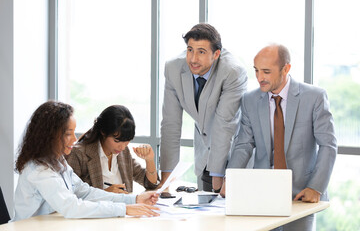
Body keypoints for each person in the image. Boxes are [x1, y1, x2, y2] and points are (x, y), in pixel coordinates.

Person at [222, 44, 337, 230]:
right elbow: (243, 144)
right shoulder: (250, 100)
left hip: (301, 194)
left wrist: (316, 187)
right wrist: (230, 179)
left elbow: (328, 145)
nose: (259, 78)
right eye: (256, 70)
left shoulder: (314, 97)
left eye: (266, 72)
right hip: (262, 194)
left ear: (286, 69)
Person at [12, 101, 159, 221]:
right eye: (68, 134)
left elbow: (85, 192)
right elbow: (72, 207)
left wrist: (135, 199)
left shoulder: (58, 161)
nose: (75, 139)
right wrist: (124, 209)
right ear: (49, 135)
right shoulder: (39, 170)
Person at [159, 23, 248, 192]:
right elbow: (170, 124)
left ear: (216, 54)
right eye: (190, 49)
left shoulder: (232, 72)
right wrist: (166, 183)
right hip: (206, 155)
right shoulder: (173, 69)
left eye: (201, 52)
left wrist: (218, 180)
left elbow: (225, 124)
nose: (193, 59)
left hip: (235, 155)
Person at [66, 105, 158, 194]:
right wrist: (105, 194)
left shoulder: (123, 152)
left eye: (127, 141)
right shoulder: (79, 153)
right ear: (103, 132)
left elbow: (150, 184)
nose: (122, 147)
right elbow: (69, 195)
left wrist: (149, 160)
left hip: (124, 208)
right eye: (117, 141)